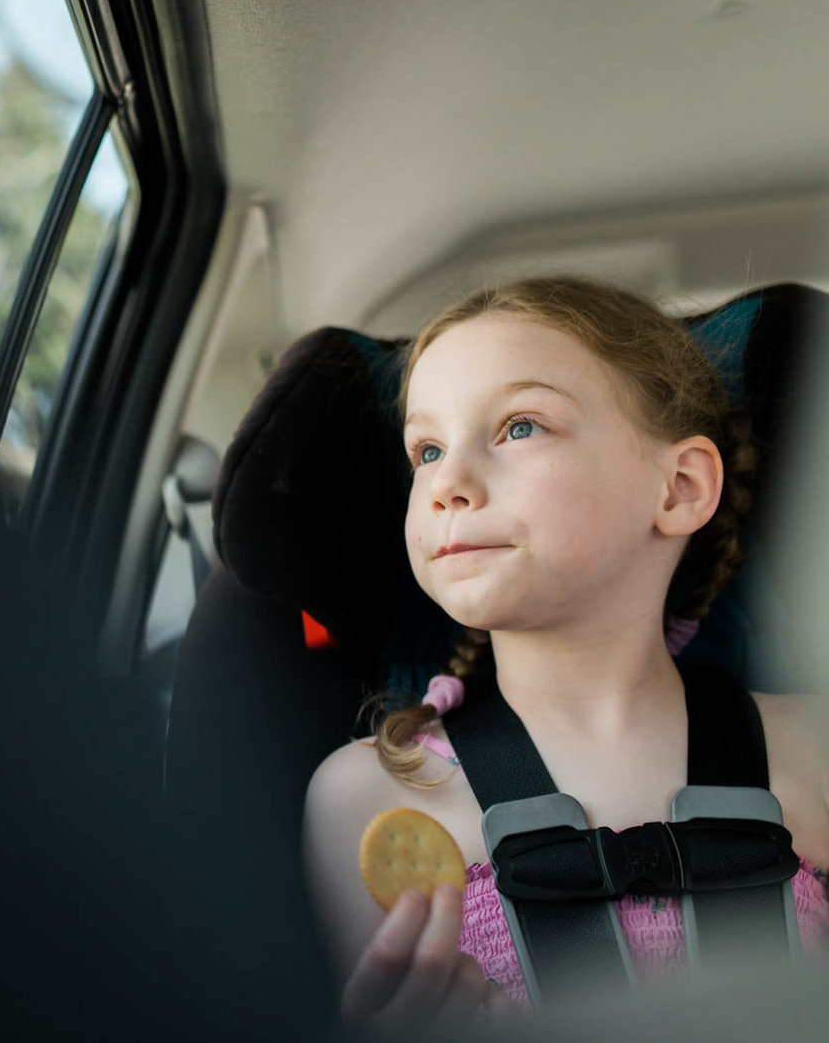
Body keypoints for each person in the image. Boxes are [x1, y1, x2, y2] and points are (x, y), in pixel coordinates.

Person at [302, 277, 829, 1027]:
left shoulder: (814, 748)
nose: (447, 482)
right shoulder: (368, 795)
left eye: (520, 426)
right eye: (427, 448)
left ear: (679, 487)